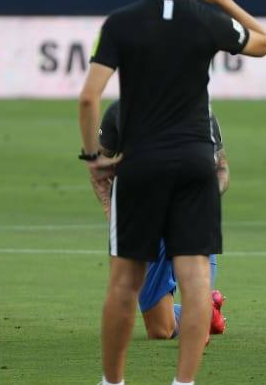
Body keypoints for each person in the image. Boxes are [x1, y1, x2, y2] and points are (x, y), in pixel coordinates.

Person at [78, 0, 266, 385]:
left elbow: (88, 97)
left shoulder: (120, 23)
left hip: (140, 164)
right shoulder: (208, 20)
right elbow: (264, 43)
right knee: (196, 279)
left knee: (124, 283)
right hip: (195, 162)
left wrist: (93, 155)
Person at [94, 102, 229, 340]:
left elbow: (221, 169)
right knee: (160, 330)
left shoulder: (199, 112)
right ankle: (207, 311)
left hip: (191, 221)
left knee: (194, 315)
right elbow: (99, 167)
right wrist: (111, 213)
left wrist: (202, 200)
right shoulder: (120, 111)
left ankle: (202, 312)